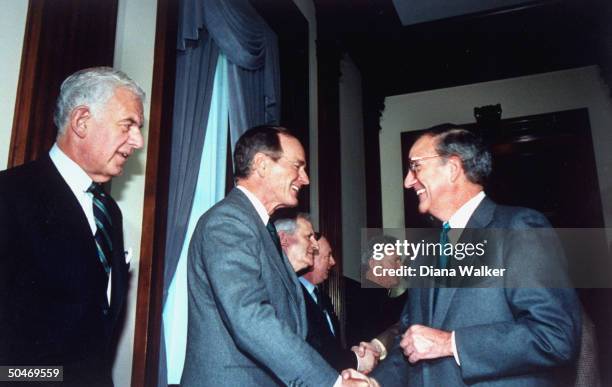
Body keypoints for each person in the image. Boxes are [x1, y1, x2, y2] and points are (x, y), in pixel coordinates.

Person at [371, 125, 581, 386]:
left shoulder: (517, 228)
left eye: (416, 166)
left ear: (453, 168)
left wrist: (452, 343)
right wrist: (373, 383)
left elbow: (556, 336)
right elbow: (410, 343)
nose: (408, 181)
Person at [182, 125, 374, 387]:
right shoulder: (228, 222)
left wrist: (337, 373)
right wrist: (331, 383)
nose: (304, 179)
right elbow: (250, 318)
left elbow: (292, 327)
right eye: (297, 166)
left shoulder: (263, 227)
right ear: (262, 164)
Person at [0, 67, 145, 386]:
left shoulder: (110, 213)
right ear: (81, 122)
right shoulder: (8, 196)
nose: (138, 141)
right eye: (129, 125)